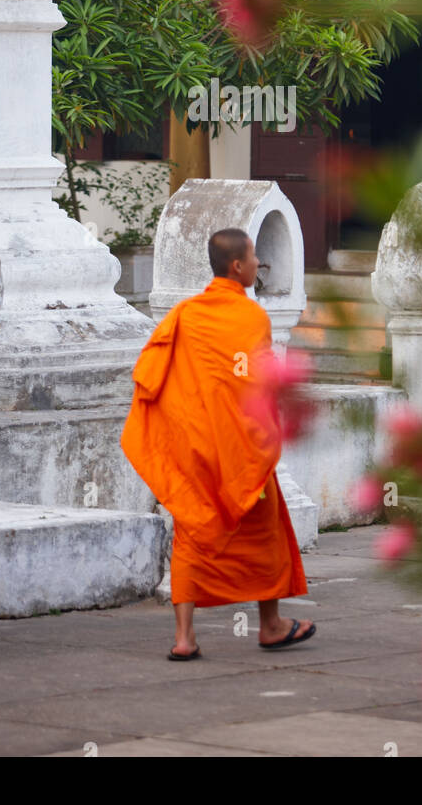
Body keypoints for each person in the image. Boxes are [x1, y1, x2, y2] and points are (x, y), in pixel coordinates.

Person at [120, 227, 315, 660]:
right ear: (237, 267)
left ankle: (185, 638)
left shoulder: (185, 314)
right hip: (240, 448)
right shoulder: (252, 318)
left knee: (191, 533)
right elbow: (258, 384)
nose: (258, 264)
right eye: (253, 258)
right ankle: (270, 625)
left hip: (196, 447)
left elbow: (155, 373)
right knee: (266, 534)